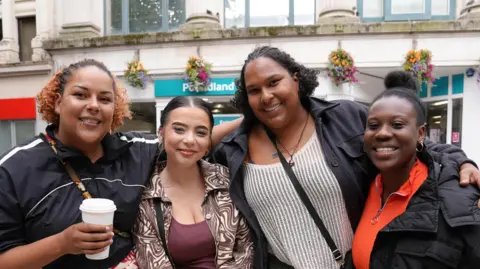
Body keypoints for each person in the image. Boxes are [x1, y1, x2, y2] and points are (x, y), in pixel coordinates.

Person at [213, 46, 480, 269]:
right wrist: (246, 118)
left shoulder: (344, 117)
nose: (266, 95)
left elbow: (413, 144)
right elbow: (182, 149)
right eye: (254, 91)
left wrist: (462, 162)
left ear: (295, 79)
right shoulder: (235, 147)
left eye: (273, 83)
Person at [0, 59, 242, 269]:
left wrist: (250, 118)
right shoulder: (14, 169)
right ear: (58, 102)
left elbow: (189, 142)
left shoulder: (134, 149)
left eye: (105, 99)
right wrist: (62, 244)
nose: (94, 105)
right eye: (81, 95)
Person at [349, 73, 480, 269]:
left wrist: (465, 163)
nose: (382, 133)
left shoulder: (460, 202)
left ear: (420, 134)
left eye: (397, 124)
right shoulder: (361, 183)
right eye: (373, 125)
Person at [133, 96, 253, 269]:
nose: (190, 140)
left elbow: (246, 249)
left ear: (208, 143)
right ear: (161, 133)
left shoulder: (226, 179)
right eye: (179, 129)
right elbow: (153, 262)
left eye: (201, 133)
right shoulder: (145, 196)